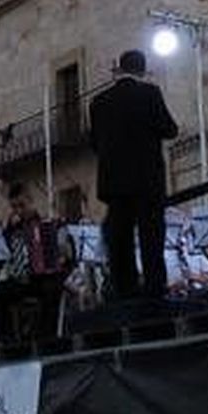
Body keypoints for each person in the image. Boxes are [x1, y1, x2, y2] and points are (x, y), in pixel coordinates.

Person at [88, 49, 179, 301]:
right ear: (142, 70)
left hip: (114, 185)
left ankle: (125, 294)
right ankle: (154, 293)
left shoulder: (98, 102)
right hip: (147, 181)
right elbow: (170, 129)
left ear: (119, 68)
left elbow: (95, 144)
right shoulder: (150, 93)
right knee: (151, 239)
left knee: (120, 241)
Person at [0, 181, 64, 343]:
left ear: (31, 201)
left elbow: (61, 255)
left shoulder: (46, 224)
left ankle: (46, 338)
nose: (18, 211)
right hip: (20, 279)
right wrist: (8, 231)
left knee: (53, 289)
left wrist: (62, 256)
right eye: (14, 207)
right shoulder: (13, 230)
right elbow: (0, 254)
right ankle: (8, 341)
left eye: (22, 205)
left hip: (42, 279)